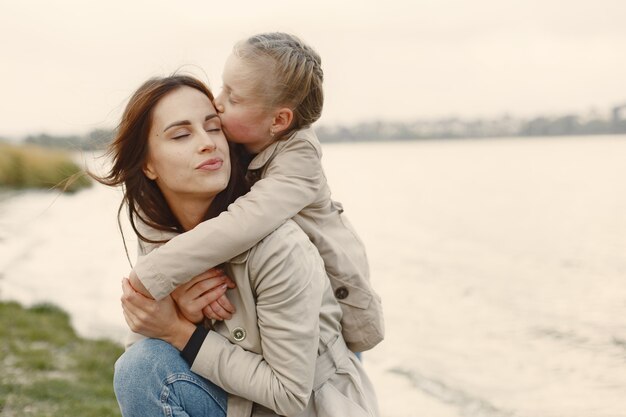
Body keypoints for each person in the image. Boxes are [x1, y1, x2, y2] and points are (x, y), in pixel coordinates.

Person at [98, 74, 380, 417]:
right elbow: (144, 361)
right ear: (147, 164)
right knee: (139, 369)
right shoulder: (162, 237)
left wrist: (181, 331)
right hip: (239, 402)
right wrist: (183, 315)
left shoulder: (279, 246)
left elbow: (290, 396)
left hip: (308, 407)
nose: (207, 143)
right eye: (182, 134)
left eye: (214, 127)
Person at [127, 32, 384, 353]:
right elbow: (158, 213)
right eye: (223, 87)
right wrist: (174, 285)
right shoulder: (238, 135)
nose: (218, 102)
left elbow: (242, 223)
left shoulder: (299, 162)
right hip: (271, 306)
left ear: (278, 120)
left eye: (233, 98)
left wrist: (152, 275)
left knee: (332, 384)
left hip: (335, 315)